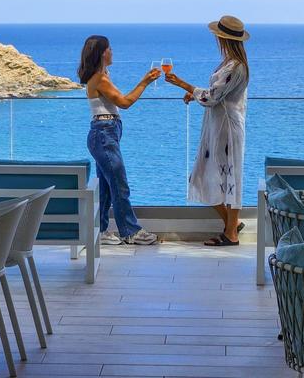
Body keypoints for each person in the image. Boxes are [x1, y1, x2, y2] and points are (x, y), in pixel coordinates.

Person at [165, 15, 250, 246]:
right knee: (203, 175)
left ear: (223, 38)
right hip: (217, 124)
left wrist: (184, 85)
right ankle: (232, 224)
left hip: (227, 128)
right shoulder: (230, 63)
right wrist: (195, 95)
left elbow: (213, 96)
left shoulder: (236, 67)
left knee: (230, 176)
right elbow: (216, 94)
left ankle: (231, 233)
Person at [78, 35, 161, 246]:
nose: (112, 52)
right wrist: (145, 81)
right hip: (104, 135)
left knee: (107, 186)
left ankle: (102, 230)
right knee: (119, 184)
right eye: (110, 49)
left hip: (104, 133)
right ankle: (130, 232)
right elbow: (125, 102)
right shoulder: (100, 79)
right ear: (102, 53)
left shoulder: (101, 76)